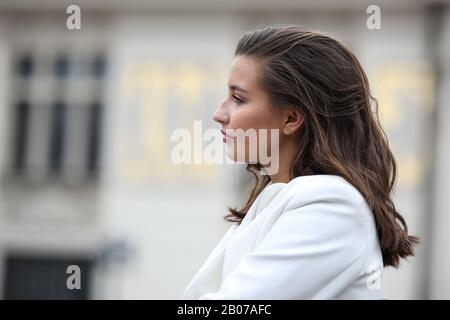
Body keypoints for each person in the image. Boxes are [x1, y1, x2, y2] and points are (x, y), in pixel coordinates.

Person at [182, 25, 419, 300]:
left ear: (292, 119)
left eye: (238, 98)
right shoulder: (279, 199)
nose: (219, 113)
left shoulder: (331, 205)